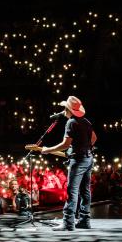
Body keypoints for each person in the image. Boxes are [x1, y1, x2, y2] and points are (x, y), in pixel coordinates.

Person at [39, 96, 97, 231]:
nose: (64, 110)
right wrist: (85, 147)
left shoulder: (71, 122)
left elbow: (65, 144)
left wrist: (48, 150)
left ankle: (68, 223)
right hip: (88, 158)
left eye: (65, 108)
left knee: (73, 190)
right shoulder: (86, 121)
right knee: (85, 190)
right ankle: (84, 220)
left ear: (68, 109)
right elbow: (94, 138)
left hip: (78, 160)